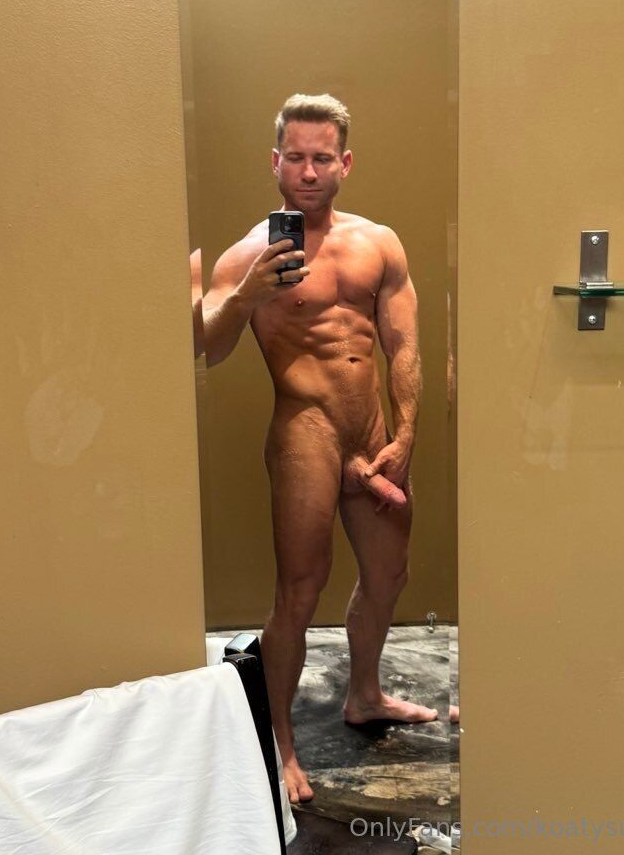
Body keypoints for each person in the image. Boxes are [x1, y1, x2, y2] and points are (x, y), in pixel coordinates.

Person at [197, 94, 456, 804]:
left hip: (372, 432)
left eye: (321, 158)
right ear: (274, 162)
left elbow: (404, 344)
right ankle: (281, 744)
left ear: (344, 163)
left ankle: (364, 694)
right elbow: (206, 348)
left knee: (389, 574)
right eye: (295, 158)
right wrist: (247, 295)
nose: (308, 172)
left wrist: (405, 434)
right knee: (299, 592)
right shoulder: (248, 254)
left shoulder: (379, 243)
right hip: (303, 432)